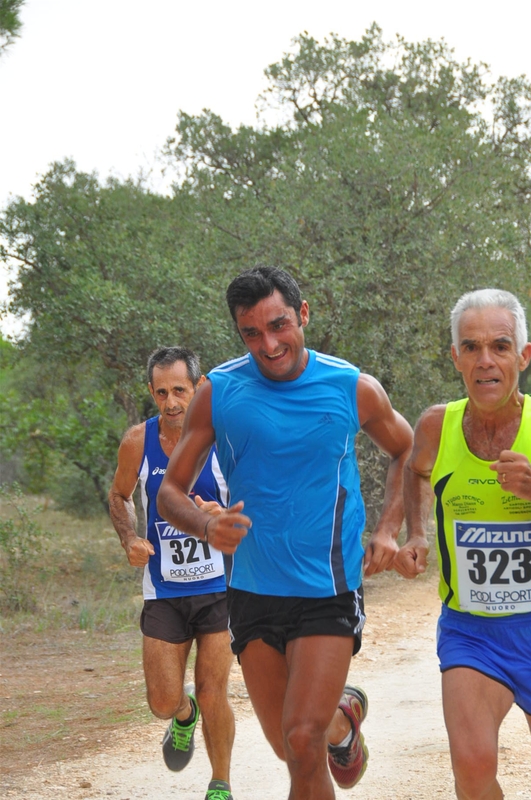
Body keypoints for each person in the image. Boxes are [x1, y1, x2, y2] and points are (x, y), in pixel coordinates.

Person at [156, 266, 413, 800]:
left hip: (328, 589)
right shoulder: (219, 391)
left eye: (279, 325)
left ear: (303, 314)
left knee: (300, 738)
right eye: (252, 333)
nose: (268, 345)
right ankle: (343, 723)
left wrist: (390, 529)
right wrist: (206, 524)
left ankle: (327, 726)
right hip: (253, 591)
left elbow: (407, 450)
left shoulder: (351, 386)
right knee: (291, 749)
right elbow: (170, 492)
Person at [395, 288, 531, 800]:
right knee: (472, 772)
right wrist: (415, 533)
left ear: (523, 354)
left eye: (500, 345)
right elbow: (416, 471)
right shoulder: (437, 424)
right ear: (455, 357)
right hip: (472, 632)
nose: (486, 361)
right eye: (471, 347)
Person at [108, 346, 235, 800]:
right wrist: (129, 539)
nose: (172, 402)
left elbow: (257, 499)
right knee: (161, 701)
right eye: (161, 392)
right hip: (163, 590)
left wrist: (224, 513)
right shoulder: (137, 443)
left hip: (220, 588)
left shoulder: (224, 439)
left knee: (214, 687)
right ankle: (184, 715)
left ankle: (220, 783)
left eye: (180, 390)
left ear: (198, 388)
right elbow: (119, 496)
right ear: (151, 392)